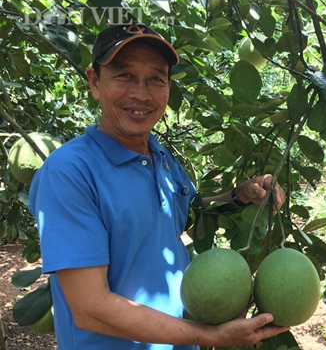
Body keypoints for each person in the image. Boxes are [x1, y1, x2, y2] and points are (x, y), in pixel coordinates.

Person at [28, 23, 287, 349]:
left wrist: (239, 195)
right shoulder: (69, 173)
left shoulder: (162, 159)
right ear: (94, 82)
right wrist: (209, 336)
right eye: (123, 75)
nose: (141, 93)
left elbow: (185, 215)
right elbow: (90, 308)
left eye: (155, 78)